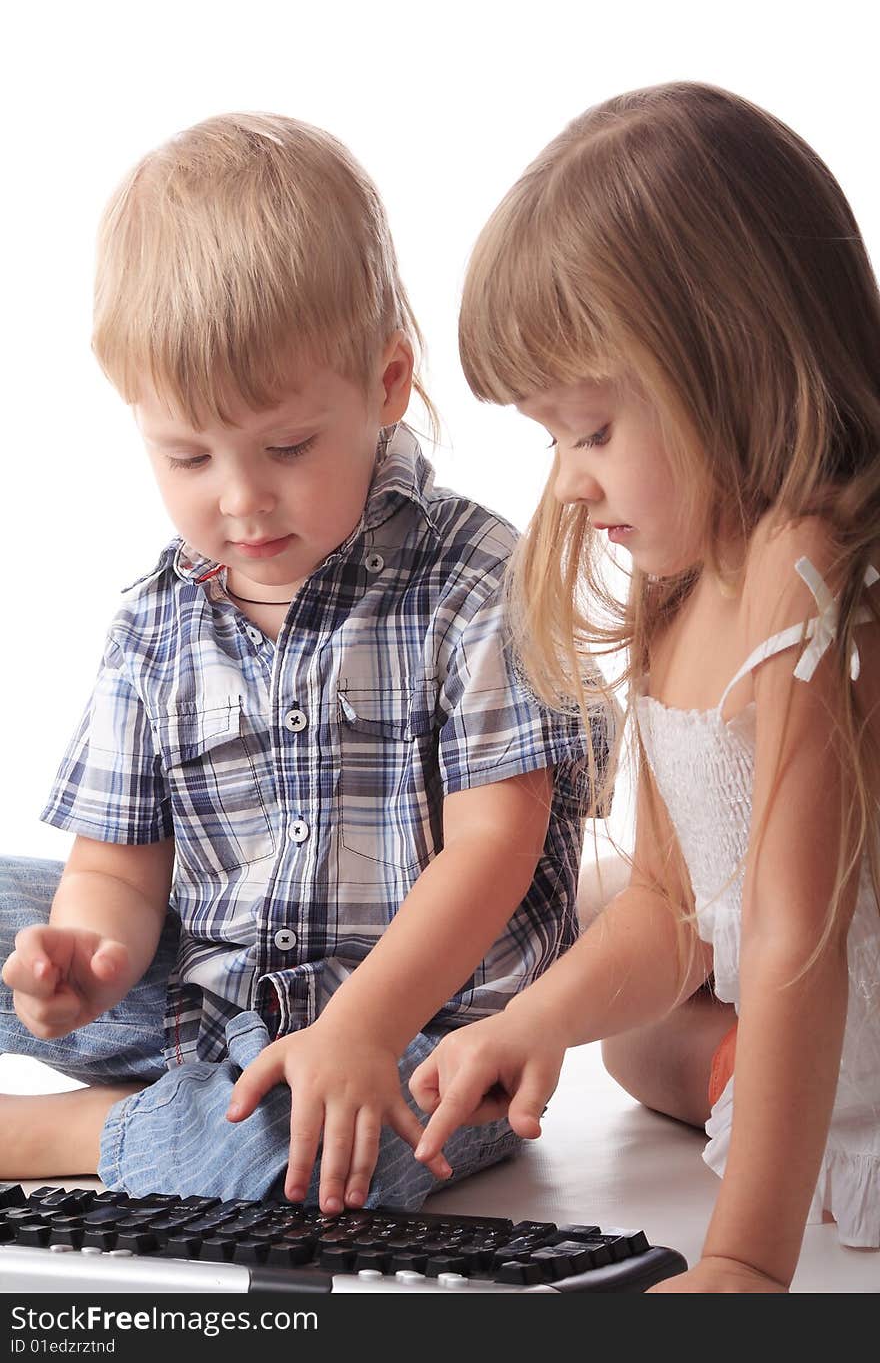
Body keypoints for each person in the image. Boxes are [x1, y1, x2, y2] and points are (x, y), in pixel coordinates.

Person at [0, 112, 611, 1215]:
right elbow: (120, 871)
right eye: (187, 455)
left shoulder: (474, 583)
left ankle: (77, 1133)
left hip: (423, 1033)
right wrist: (86, 955)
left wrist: (360, 1026)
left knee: (296, 1169)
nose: (239, 499)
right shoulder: (158, 617)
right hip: (210, 993)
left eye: (286, 447)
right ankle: (192, 1090)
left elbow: (496, 851)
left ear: (385, 384)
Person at [409, 82, 880, 1291]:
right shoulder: (675, 590)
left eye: (594, 430)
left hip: (831, 978)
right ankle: (795, 1103)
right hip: (797, 1002)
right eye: (550, 438)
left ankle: (810, 1126)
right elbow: (678, 900)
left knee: (697, 1001)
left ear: (727, 364)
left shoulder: (801, 564)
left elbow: (794, 937)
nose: (567, 483)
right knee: (622, 1027)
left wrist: (742, 1264)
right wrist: (524, 1023)